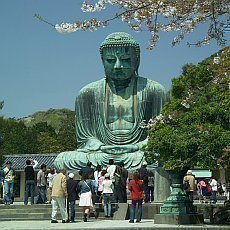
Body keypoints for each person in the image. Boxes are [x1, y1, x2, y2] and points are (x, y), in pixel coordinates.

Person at [54, 32, 166, 171]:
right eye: (111, 60)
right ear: (102, 61)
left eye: (125, 59)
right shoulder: (87, 93)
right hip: (102, 153)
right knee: (63, 159)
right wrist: (101, 147)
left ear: (136, 61)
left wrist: (136, 146)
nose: (118, 66)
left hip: (137, 153)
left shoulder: (154, 90)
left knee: (161, 157)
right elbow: (85, 138)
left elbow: (159, 137)